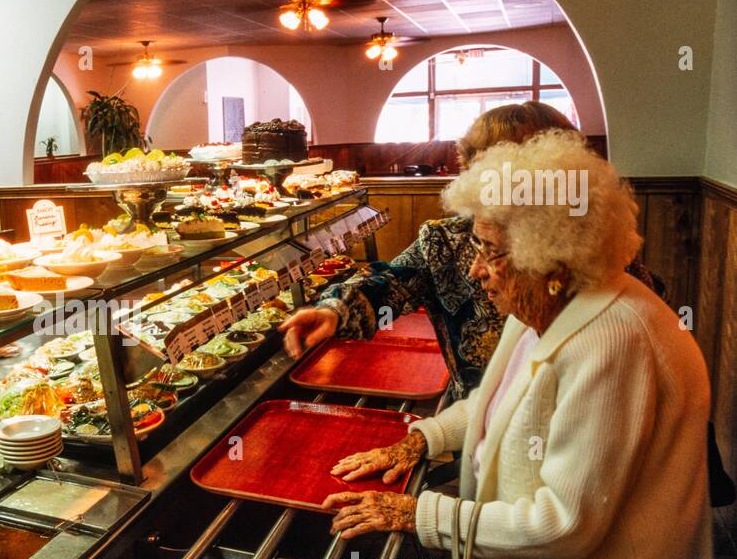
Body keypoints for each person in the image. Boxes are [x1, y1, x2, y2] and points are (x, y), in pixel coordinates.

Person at [321, 131, 713, 559]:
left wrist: (417, 513)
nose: (477, 270)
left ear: (547, 254)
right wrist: (422, 438)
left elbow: (566, 524)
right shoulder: (551, 301)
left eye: (490, 251)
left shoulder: (611, 339)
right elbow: (496, 402)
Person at [279, 102, 658, 399]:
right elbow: (390, 283)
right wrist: (334, 309)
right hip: (477, 421)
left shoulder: (589, 244)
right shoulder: (446, 239)